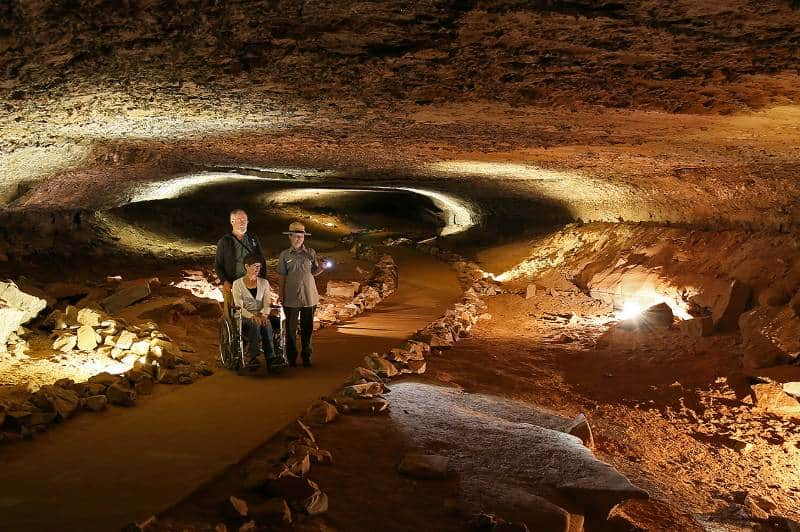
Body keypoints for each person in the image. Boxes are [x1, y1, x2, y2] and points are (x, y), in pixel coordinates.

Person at [277, 221, 324, 367]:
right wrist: (281, 294)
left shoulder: (310, 253)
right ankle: (291, 358)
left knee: (308, 328)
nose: (299, 239)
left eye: (301, 236)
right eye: (296, 236)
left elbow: (314, 272)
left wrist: (322, 267)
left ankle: (306, 356)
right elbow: (282, 276)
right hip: (290, 297)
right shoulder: (284, 255)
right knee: (290, 330)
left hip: (309, 296)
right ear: (290, 237)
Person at [231, 254, 275, 369]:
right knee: (255, 323)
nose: (257, 269)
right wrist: (252, 316)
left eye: (259, 267)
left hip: (260, 314)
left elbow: (266, 302)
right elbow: (238, 306)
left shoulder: (264, 282)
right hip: (243, 315)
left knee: (266, 323)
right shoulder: (237, 284)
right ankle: (253, 356)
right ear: (246, 266)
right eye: (255, 266)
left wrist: (264, 314)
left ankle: (271, 357)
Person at [215, 209, 267, 306]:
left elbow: (261, 259)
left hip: (253, 283)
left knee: (254, 313)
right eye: (239, 220)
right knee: (235, 315)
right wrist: (225, 281)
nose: (242, 222)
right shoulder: (225, 241)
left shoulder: (252, 238)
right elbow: (218, 265)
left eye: (245, 220)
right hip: (233, 284)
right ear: (232, 221)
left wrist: (262, 280)